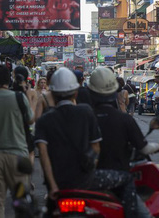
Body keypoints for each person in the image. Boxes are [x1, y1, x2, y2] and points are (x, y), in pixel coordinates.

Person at [35, 68, 136, 216]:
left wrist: (53, 186)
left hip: (57, 185)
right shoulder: (85, 112)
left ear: (53, 94)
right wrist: (87, 173)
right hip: (86, 182)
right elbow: (96, 148)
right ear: (75, 93)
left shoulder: (44, 120)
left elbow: (43, 156)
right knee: (127, 178)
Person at [88, 67, 155, 218]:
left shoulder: (83, 118)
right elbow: (143, 148)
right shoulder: (124, 119)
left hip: (83, 179)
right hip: (117, 178)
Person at [0, 64, 34, 218]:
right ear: (8, 80)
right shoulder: (19, 97)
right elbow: (31, 120)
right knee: (21, 201)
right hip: (18, 157)